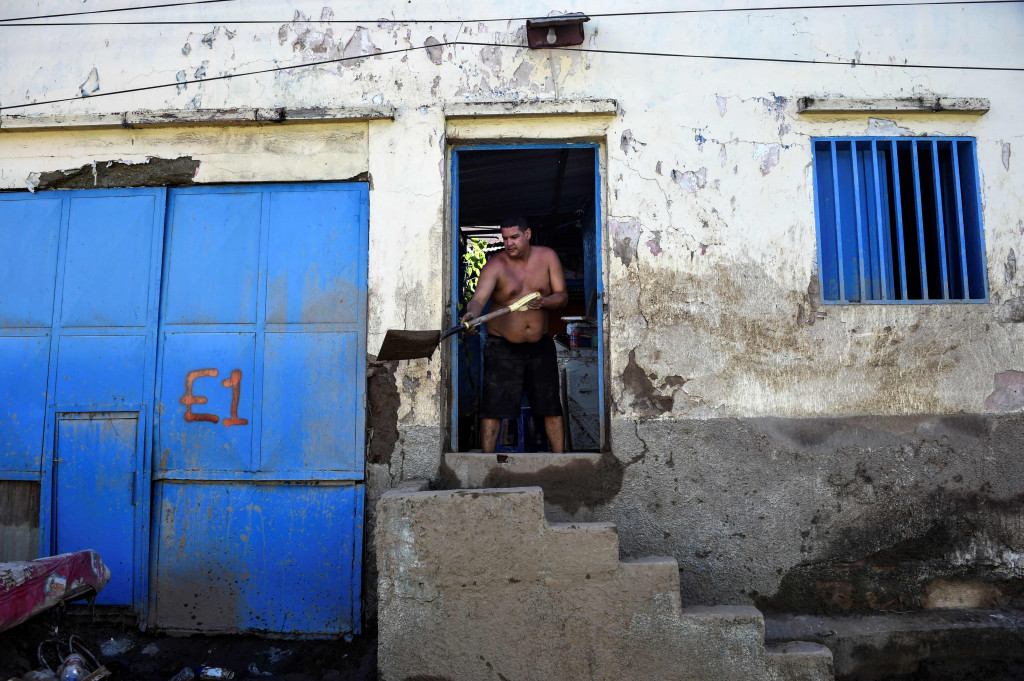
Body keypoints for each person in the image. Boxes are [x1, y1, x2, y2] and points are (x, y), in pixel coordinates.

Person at [461, 216, 568, 453]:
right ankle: (487, 463)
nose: (509, 243)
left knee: (551, 405)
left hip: (540, 345)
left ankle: (560, 461)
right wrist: (471, 314)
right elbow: (479, 300)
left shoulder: (547, 257)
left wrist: (545, 301)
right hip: (502, 348)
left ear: (527, 234)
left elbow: (562, 296)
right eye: (505, 238)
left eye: (514, 237)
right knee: (493, 407)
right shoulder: (496, 264)